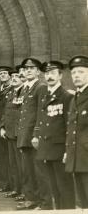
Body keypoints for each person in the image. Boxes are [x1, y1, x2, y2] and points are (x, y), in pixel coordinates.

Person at [31, 61, 75, 209]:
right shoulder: (44, 95)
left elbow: (70, 125)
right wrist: (36, 135)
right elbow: (41, 119)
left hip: (59, 148)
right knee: (53, 188)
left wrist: (68, 150)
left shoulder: (66, 97)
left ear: (60, 75)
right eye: (47, 73)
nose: (49, 76)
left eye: (53, 73)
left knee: (65, 188)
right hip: (46, 148)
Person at [15, 57, 50, 210]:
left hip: (34, 136)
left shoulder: (40, 87)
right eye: (26, 68)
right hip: (25, 135)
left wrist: (36, 134)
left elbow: (41, 112)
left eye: (32, 68)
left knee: (39, 171)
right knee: (28, 169)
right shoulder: (25, 88)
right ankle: (31, 199)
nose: (28, 71)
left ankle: (44, 202)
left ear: (37, 71)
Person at [64, 55, 88, 208]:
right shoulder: (75, 98)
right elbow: (72, 127)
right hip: (77, 157)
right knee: (82, 201)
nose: (76, 76)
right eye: (73, 73)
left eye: (81, 72)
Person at [0, 66, 24, 199]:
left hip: (19, 134)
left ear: (23, 78)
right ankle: (16, 189)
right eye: (12, 76)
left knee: (21, 164)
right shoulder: (11, 93)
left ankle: (25, 191)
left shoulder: (24, 93)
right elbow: (5, 112)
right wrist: (2, 127)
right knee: (13, 163)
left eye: (17, 77)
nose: (14, 79)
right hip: (9, 133)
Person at [0, 66, 12, 193]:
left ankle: (10, 184)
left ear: (10, 75)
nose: (3, 76)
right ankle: (4, 183)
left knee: (9, 156)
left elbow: (8, 111)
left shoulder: (12, 90)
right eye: (0, 74)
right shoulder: (0, 90)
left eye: (5, 73)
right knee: (2, 155)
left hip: (7, 127)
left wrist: (3, 126)